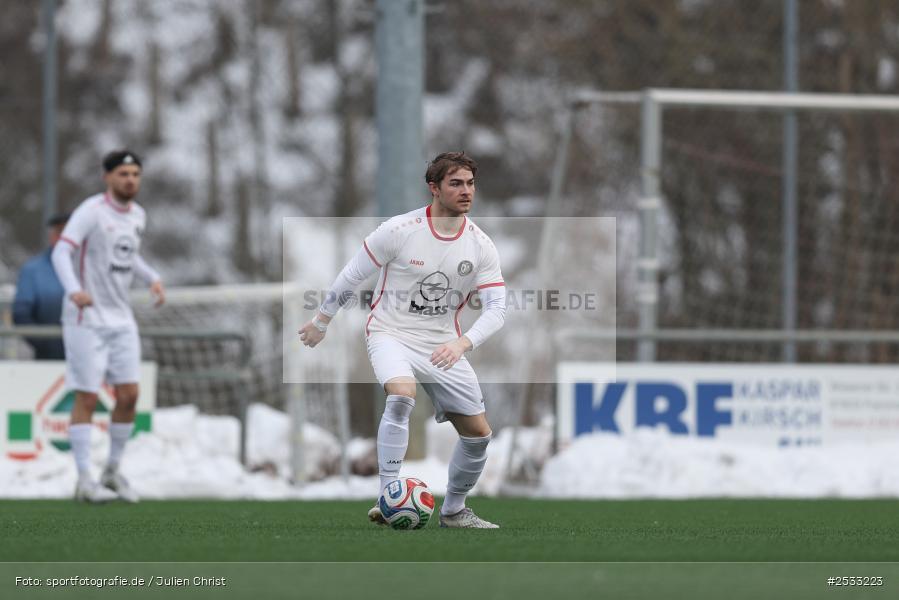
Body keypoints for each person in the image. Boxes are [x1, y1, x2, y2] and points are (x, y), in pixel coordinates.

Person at [299, 152, 506, 528]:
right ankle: (387, 497)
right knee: (401, 394)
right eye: (455, 183)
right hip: (389, 332)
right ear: (434, 188)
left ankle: (454, 511)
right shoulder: (399, 230)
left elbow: (497, 309)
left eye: (470, 183)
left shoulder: (480, 245)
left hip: (443, 345)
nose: (466, 191)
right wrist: (322, 320)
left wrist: (462, 343)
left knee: (478, 436)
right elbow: (352, 275)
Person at [51, 150, 166, 504]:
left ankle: (112, 471)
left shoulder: (138, 215)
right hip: (86, 319)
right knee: (87, 396)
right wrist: (74, 291)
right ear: (107, 177)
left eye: (135, 174)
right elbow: (61, 252)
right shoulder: (91, 211)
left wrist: (152, 277)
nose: (130, 180)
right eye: (123, 174)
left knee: (129, 395)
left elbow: (127, 255)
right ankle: (84, 479)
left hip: (121, 317)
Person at [12, 213, 70, 359]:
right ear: (51, 236)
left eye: (69, 231)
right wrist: (45, 343)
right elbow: (21, 313)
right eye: (59, 232)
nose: (64, 238)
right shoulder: (33, 270)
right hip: (48, 356)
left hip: (89, 353)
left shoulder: (92, 267)